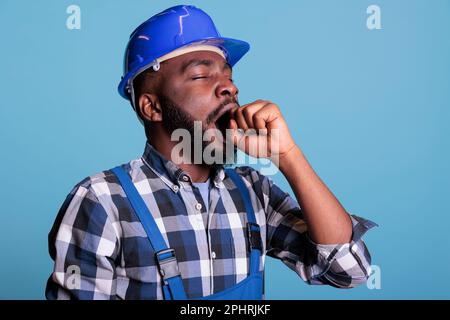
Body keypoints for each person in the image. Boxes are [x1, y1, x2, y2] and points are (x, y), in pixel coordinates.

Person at [46, 4, 377, 300]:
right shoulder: (102, 201)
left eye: (229, 76)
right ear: (152, 107)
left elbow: (348, 270)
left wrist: (287, 155)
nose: (230, 88)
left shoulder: (253, 191)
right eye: (201, 75)